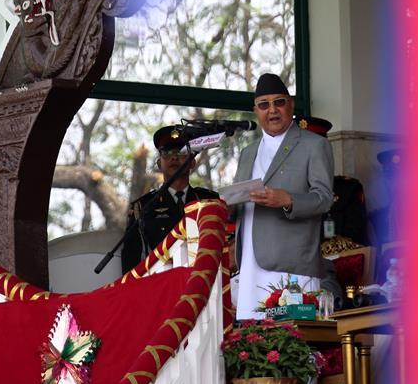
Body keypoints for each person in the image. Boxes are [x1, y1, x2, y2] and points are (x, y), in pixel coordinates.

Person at [232, 73, 339, 319]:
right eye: (264, 105)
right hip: (249, 263)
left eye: (279, 102)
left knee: (293, 337)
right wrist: (226, 204)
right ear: (255, 111)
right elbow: (241, 201)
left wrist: (289, 200)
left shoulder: (314, 144)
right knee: (254, 337)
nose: (272, 110)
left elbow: (324, 198)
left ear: (290, 105)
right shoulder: (247, 153)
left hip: (292, 265)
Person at [121, 125, 218, 272]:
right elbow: (130, 259)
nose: (174, 157)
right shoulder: (143, 206)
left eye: (181, 152)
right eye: (166, 153)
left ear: (192, 162)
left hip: (204, 277)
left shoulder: (209, 200)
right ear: (159, 164)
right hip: (161, 280)